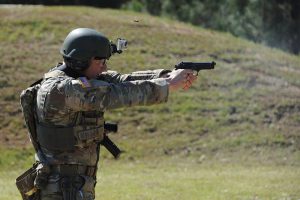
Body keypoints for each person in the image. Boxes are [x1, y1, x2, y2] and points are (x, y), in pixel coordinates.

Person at [17, 28, 197, 200]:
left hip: (71, 186)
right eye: (101, 62)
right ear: (81, 61)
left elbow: (120, 80)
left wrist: (166, 76)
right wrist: (167, 85)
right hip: (62, 190)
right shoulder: (62, 89)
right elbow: (114, 94)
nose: (104, 68)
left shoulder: (79, 78)